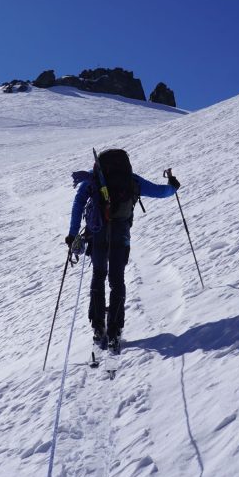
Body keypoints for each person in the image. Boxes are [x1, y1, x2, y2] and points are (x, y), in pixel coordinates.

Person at [65, 149, 181, 351]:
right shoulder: (131, 180)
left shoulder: (94, 181)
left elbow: (78, 204)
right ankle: (114, 331)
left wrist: (73, 234)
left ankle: (98, 327)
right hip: (121, 235)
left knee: (98, 275)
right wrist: (173, 186)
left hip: (97, 234)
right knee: (117, 281)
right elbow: (160, 192)